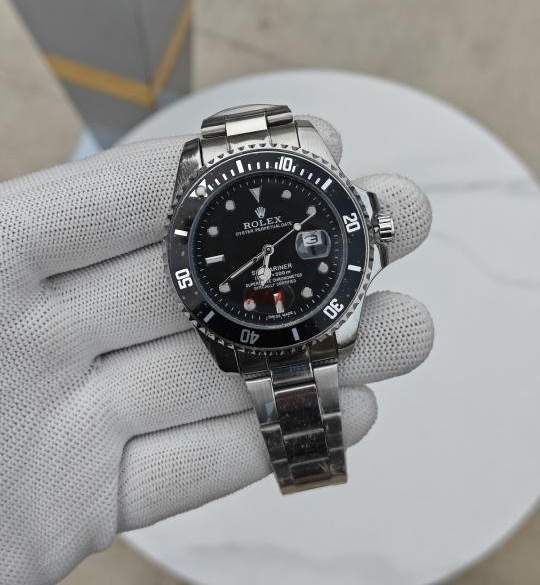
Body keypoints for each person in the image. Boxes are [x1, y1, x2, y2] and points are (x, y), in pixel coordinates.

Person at [0, 119, 433, 584]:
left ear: (374, 226)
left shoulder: (334, 228)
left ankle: (313, 480)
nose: (266, 251)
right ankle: (310, 486)